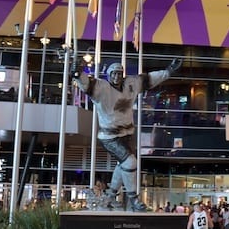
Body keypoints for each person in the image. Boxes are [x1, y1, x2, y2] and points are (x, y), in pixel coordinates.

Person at [74, 58, 181, 211]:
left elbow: (149, 79)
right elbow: (86, 84)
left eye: (119, 73)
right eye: (113, 74)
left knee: (122, 165)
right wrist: (78, 73)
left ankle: (110, 196)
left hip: (127, 134)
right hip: (109, 136)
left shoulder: (131, 83)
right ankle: (134, 200)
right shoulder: (101, 88)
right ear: (109, 75)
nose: (116, 77)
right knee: (130, 163)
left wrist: (168, 71)